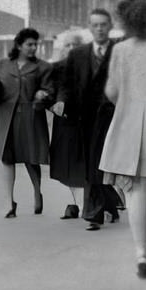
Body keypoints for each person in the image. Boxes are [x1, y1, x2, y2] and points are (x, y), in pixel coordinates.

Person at [99, 0, 146, 280]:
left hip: (131, 129)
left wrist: (129, 103)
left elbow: (112, 91)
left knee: (136, 193)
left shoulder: (121, 50)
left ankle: (141, 254)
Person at [56, 9, 124, 231]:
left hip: (113, 116)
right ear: (89, 27)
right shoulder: (78, 54)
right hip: (85, 118)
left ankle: (100, 209)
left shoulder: (121, 51)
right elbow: (67, 84)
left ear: (110, 25)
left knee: (100, 162)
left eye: (104, 24)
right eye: (95, 25)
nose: (100, 29)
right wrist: (61, 102)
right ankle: (104, 208)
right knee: (92, 163)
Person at [0, 27, 53, 218]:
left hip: (31, 116)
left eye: (35, 45)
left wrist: (43, 94)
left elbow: (49, 89)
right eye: (29, 44)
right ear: (19, 45)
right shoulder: (3, 64)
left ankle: (37, 193)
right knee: (7, 159)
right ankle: (9, 203)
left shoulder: (43, 67)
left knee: (32, 158)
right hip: (6, 116)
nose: (33, 48)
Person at [45, 28, 89, 219]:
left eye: (75, 45)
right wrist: (54, 106)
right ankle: (82, 203)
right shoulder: (55, 69)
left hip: (86, 124)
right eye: (68, 45)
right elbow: (46, 94)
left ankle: (88, 204)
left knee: (85, 166)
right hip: (65, 124)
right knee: (68, 166)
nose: (71, 48)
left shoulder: (92, 68)